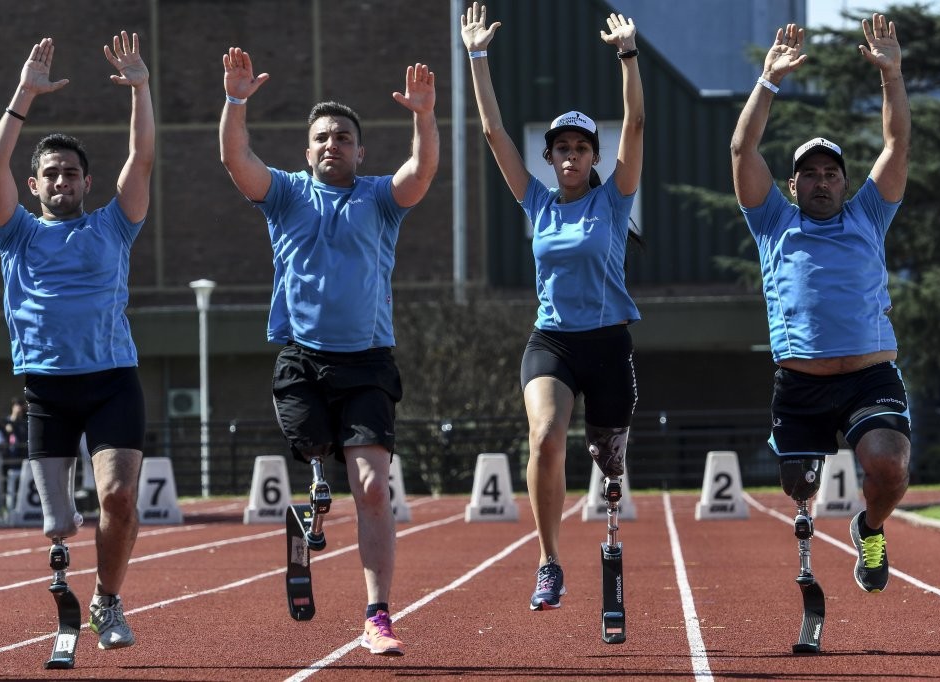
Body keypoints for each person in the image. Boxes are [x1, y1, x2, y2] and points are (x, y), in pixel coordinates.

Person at [219, 45, 439, 656]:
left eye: (343, 137)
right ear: (307, 148)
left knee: (372, 486)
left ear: (360, 151)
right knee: (314, 444)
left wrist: (424, 115)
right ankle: (316, 485)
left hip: (367, 361)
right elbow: (236, 159)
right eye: (321, 137)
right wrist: (236, 101)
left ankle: (377, 615)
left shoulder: (378, 199)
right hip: (301, 358)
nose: (331, 144)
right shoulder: (286, 195)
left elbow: (420, 173)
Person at [461, 3, 644, 611]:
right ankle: (549, 561)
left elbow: (637, 125)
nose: (569, 156)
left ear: (594, 157)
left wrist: (628, 57)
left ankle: (607, 455)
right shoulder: (536, 203)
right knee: (544, 437)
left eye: (580, 148)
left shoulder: (614, 201)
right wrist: (477, 57)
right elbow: (493, 134)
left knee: (607, 455)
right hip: (554, 341)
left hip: (609, 342)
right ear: (550, 158)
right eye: (560, 148)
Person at [0, 31, 154, 648]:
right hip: (46, 390)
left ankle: (108, 600)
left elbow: (142, 158)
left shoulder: (114, 226)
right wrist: (25, 92)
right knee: (58, 525)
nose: (61, 182)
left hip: (111, 380)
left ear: (86, 183)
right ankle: (69, 545)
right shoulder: (17, 235)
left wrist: (140, 88)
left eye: (71, 175)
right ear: (36, 186)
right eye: (51, 175)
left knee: (121, 495)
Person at [730, 14, 911, 593]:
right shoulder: (772, 223)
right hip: (801, 384)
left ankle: (870, 527)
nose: (822, 183)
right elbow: (741, 147)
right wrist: (768, 81)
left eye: (831, 173)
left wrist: (892, 75)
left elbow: (897, 142)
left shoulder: (869, 214)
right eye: (809, 175)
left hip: (869, 377)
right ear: (792, 187)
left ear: (845, 181)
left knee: (889, 466)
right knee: (798, 483)